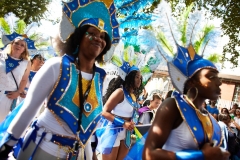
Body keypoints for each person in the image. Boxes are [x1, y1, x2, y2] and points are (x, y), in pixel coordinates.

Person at [0, 0, 118, 159]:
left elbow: (87, 127)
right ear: (79, 37)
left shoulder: (100, 78)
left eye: (103, 36)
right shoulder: (56, 66)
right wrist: (7, 145)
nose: (99, 39)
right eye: (92, 33)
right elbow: (29, 109)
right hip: (41, 149)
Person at [142, 42, 230, 159]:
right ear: (191, 82)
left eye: (218, 78)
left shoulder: (211, 120)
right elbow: (148, 155)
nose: (219, 82)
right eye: (211, 77)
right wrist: (201, 155)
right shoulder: (172, 106)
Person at [96, 65, 143, 160]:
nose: (139, 80)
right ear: (129, 77)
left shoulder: (133, 96)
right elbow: (104, 112)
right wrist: (123, 123)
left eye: (140, 78)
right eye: (137, 77)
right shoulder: (120, 92)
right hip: (113, 131)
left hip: (127, 134)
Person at [0, 37, 31, 122]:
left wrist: (18, 92)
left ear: (24, 49)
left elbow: (24, 80)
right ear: (12, 44)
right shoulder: (1, 56)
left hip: (8, 97)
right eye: (16, 43)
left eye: (22, 45)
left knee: (2, 122)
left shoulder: (26, 63)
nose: (19, 46)